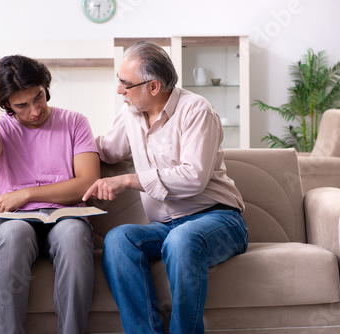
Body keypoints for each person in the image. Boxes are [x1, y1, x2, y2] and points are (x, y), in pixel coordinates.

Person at [82, 41, 249, 334]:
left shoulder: (196, 111)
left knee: (182, 240)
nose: (119, 90)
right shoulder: (130, 114)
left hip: (218, 219)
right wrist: (65, 146)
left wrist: (129, 180)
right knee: (119, 240)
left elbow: (194, 176)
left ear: (154, 87)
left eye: (125, 83)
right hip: (166, 226)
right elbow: (106, 150)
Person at [0, 55, 100, 334]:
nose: (35, 110)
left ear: (45, 87)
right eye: (21, 105)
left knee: (73, 235)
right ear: (7, 105)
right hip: (10, 223)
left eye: (38, 97)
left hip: (65, 218)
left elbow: (88, 183)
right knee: (16, 235)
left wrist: (25, 194)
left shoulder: (74, 122)